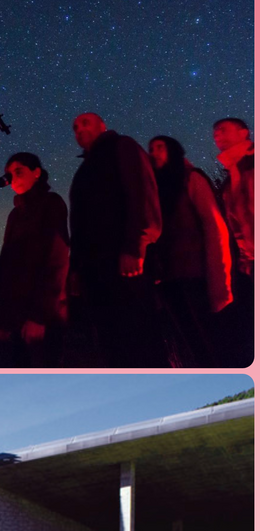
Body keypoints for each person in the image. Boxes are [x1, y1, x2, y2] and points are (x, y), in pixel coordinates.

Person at [68, 112, 164, 367]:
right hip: (95, 270)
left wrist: (136, 245)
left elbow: (142, 193)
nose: (79, 129)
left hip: (124, 264)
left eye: (85, 122)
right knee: (112, 344)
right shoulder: (85, 169)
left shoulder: (123, 146)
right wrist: (76, 269)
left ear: (103, 125)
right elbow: (78, 223)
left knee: (138, 338)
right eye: (75, 127)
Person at [147, 135, 232, 366]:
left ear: (173, 150)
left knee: (212, 339)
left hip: (197, 275)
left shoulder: (191, 179)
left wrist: (220, 281)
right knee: (192, 342)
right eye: (151, 149)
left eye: (160, 148)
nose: (154, 153)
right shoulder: (157, 190)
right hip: (170, 278)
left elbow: (213, 226)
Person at [0, 153, 70, 367]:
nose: (12, 178)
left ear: (37, 173)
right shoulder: (15, 215)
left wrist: (39, 316)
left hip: (44, 317)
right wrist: (2, 320)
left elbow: (56, 259)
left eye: (19, 172)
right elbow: (6, 268)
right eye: (9, 174)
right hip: (15, 317)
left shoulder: (51, 203)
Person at [213, 118, 254, 366]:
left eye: (223, 130)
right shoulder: (231, 179)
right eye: (215, 133)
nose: (218, 136)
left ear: (243, 132)